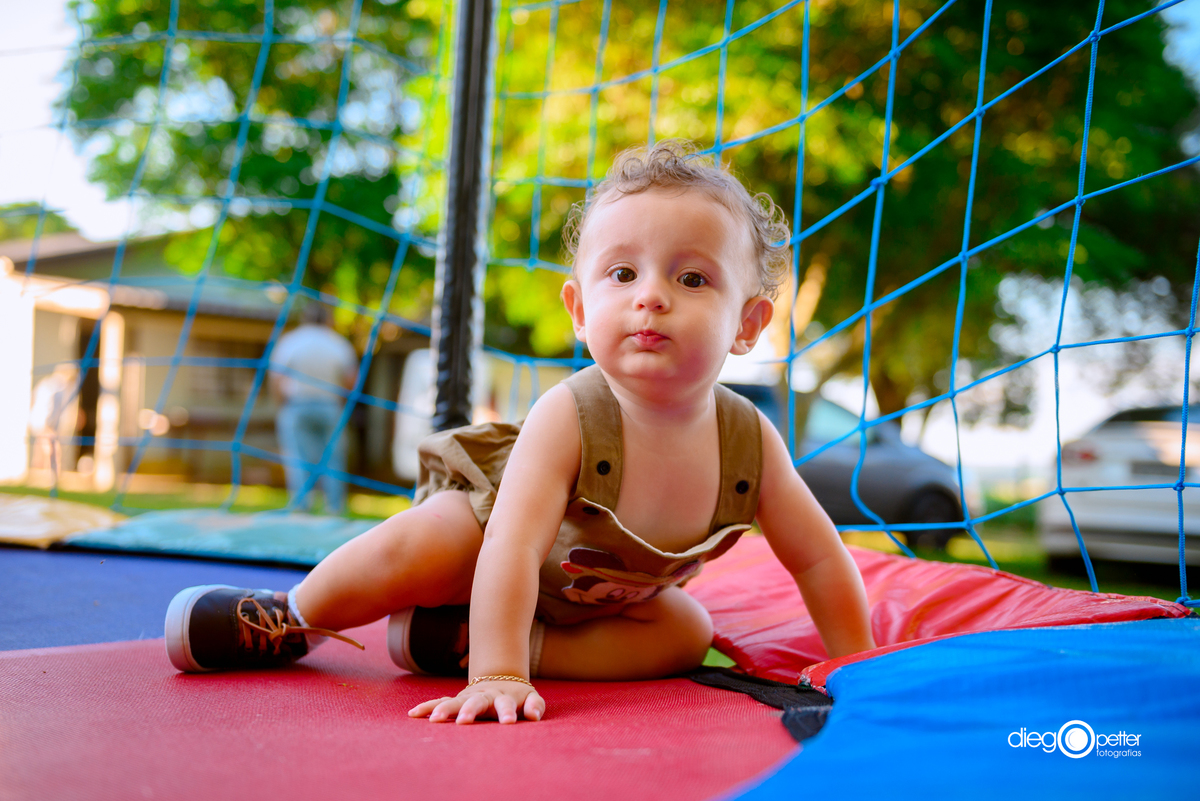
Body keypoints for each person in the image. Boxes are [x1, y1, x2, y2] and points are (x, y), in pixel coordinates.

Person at [164, 141, 875, 725]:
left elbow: (817, 558)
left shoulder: (749, 442)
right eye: (622, 272)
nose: (650, 295)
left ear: (749, 323)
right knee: (422, 542)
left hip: (583, 606)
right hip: (486, 547)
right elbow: (514, 541)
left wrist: (857, 664)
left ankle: (457, 638)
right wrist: (496, 676)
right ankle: (293, 617)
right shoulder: (572, 412)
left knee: (688, 632)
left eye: (692, 279)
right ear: (578, 306)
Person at [269, 302, 359, 514]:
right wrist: (341, 402)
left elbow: (276, 377)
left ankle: (302, 507)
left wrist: (281, 403)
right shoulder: (337, 342)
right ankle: (335, 508)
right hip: (329, 405)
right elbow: (351, 379)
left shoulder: (292, 340)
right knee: (334, 459)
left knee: (298, 458)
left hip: (297, 405)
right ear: (328, 319)